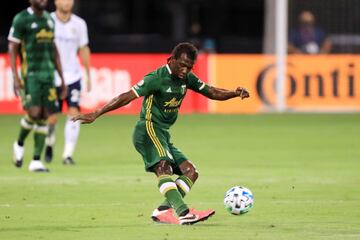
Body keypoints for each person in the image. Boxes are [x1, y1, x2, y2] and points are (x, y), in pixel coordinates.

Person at [73, 42, 250, 225]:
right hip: (148, 129)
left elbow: (212, 92)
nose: (185, 70)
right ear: (172, 60)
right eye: (181, 65)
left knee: (191, 171)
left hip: (162, 133)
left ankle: (163, 211)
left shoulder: (186, 78)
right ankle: (183, 213)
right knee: (163, 167)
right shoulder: (156, 78)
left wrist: (234, 93)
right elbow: (126, 96)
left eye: (189, 67)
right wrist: (97, 113)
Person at [9, 0, 67, 172]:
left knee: (46, 115)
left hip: (49, 75)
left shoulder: (49, 19)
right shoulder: (21, 19)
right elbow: (12, 48)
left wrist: (62, 78)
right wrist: (15, 77)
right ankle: (19, 144)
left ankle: (36, 160)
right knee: (34, 112)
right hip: (31, 74)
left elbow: (53, 49)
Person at [44, 0, 91, 165]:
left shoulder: (79, 24)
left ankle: (67, 155)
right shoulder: (47, 20)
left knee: (74, 112)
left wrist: (87, 74)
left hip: (73, 77)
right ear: (56, 2)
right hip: (52, 77)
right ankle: (49, 141)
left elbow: (84, 48)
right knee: (52, 117)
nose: (67, 3)